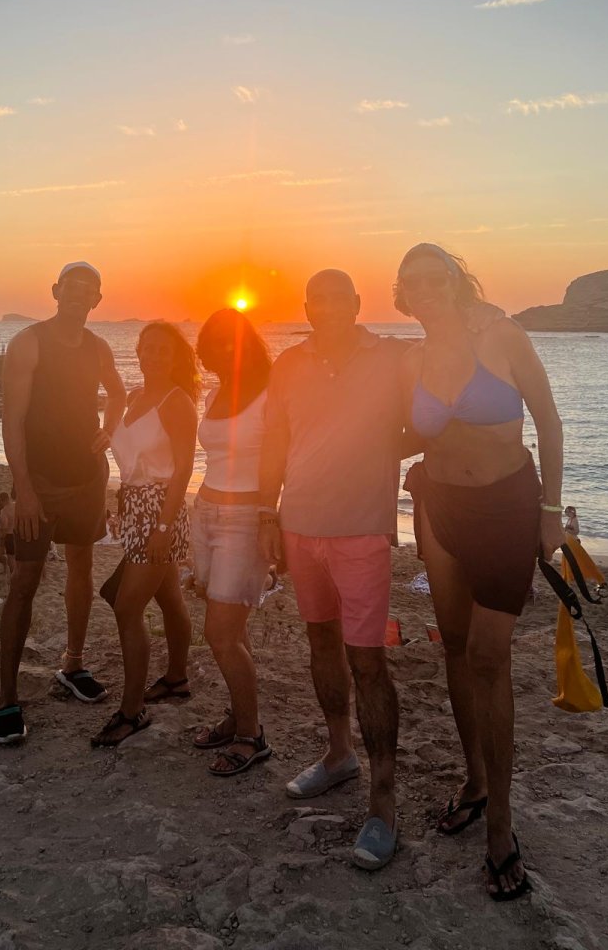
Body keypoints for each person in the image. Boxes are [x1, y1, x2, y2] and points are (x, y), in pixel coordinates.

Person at [396, 243, 564, 901]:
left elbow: (548, 421)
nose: (424, 289)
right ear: (402, 295)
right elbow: (401, 434)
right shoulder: (411, 357)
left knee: (490, 657)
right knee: (456, 648)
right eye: (411, 282)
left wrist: (551, 512)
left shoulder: (502, 335)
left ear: (455, 280)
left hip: (506, 507)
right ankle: (475, 779)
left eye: (434, 277)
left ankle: (501, 822)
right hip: (438, 507)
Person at [258, 269, 409, 871]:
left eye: (337, 296)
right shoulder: (289, 363)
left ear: (357, 302)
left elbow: (426, 418)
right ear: (306, 305)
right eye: (316, 297)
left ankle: (383, 801)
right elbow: (275, 442)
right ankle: (339, 754)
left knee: (368, 661)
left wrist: (377, 448)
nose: (326, 305)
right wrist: (267, 515)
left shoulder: (391, 357)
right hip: (299, 523)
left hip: (362, 529)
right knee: (321, 641)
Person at [0, 262, 126, 745]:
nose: (78, 294)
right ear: (55, 291)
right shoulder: (29, 342)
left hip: (88, 478)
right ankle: (7, 696)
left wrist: (109, 431)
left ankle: (73, 664)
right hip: (41, 481)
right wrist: (24, 489)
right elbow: (12, 420)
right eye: (71, 287)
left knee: (81, 567)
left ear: (97, 299)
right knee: (25, 581)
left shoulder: (98, 347)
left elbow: (118, 393)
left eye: (88, 289)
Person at [92, 322, 198, 747]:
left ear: (176, 357)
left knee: (126, 606)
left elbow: (184, 470)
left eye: (162, 350)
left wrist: (163, 527)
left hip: (160, 509)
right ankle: (176, 678)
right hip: (134, 505)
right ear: (138, 351)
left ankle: (132, 711)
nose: (152, 356)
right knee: (169, 597)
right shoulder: (133, 396)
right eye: (147, 348)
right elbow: (122, 445)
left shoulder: (178, 402)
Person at [190, 309, 274, 776]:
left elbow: (280, 461)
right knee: (233, 629)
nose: (222, 350)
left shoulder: (270, 394)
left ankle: (251, 735)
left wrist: (270, 518)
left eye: (231, 340)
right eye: (213, 343)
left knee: (219, 633)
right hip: (205, 511)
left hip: (245, 519)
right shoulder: (216, 391)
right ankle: (240, 716)